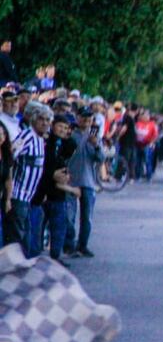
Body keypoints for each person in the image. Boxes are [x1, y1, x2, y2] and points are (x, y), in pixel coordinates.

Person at [32, 114, 77, 263]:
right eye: (60, 127)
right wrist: (53, 174)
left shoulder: (67, 144)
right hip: (44, 191)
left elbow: (71, 150)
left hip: (59, 193)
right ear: (53, 126)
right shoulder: (46, 142)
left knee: (59, 226)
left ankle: (56, 257)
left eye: (66, 128)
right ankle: (36, 256)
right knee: (39, 226)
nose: (63, 130)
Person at [5, 104, 50, 252]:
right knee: (17, 240)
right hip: (18, 196)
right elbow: (10, 156)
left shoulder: (40, 139)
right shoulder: (27, 137)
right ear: (34, 120)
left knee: (26, 240)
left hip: (28, 198)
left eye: (47, 120)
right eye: (41, 119)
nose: (44, 123)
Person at [65, 107, 104, 257]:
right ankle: (69, 245)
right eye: (83, 117)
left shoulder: (94, 137)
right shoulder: (71, 136)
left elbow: (100, 159)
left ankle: (83, 245)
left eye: (89, 118)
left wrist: (96, 145)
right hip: (71, 181)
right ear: (77, 117)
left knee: (87, 217)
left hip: (88, 181)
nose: (86, 120)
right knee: (69, 216)